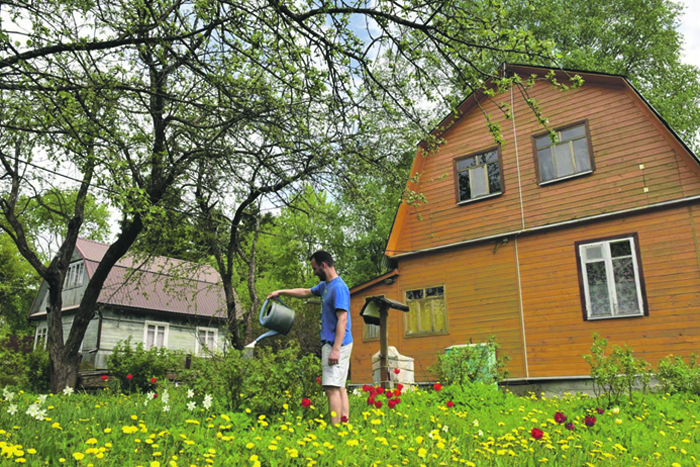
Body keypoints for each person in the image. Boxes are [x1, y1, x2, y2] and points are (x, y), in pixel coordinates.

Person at [267, 250, 353, 425]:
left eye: (314, 269)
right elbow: (305, 292)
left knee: (331, 388)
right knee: (339, 387)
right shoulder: (326, 286)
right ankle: (344, 426)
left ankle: (336, 429)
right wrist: (281, 292)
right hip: (337, 343)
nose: (313, 272)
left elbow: (342, 319)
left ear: (323, 265)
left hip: (337, 344)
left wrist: (335, 350)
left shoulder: (338, 288)